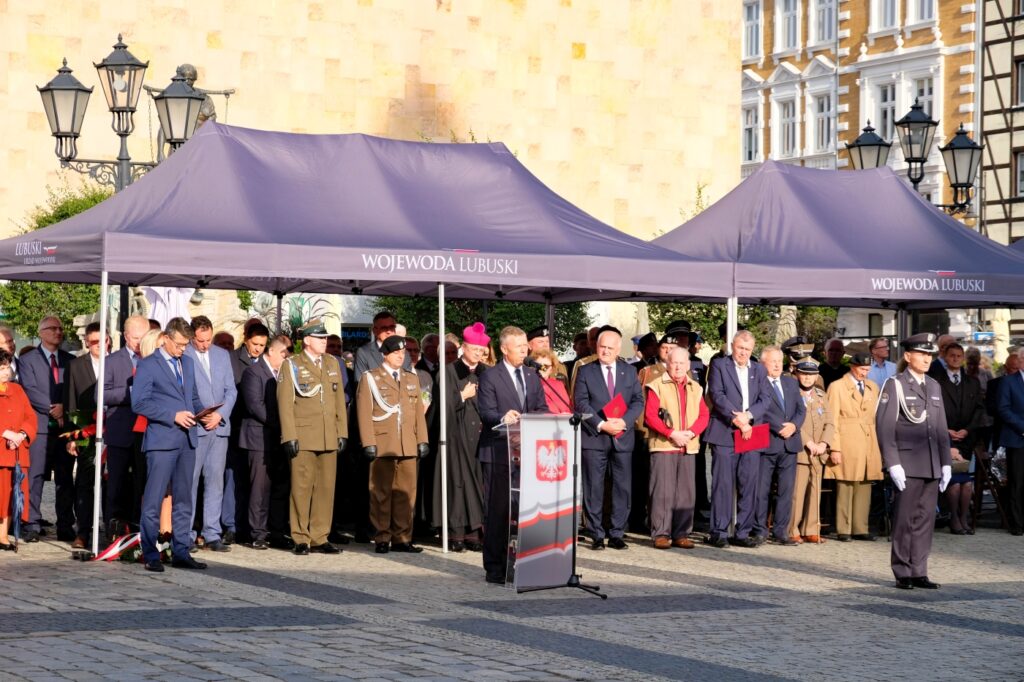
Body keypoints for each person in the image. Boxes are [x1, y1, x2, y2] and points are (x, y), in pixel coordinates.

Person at [131, 317, 208, 572]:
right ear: (165, 338)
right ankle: (151, 554)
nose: (182, 349)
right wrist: (172, 415)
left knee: (184, 499)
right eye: (179, 344)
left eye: (186, 345)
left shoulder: (187, 362)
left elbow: (193, 397)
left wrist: (204, 414)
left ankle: (181, 551)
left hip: (187, 439)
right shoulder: (148, 365)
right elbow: (139, 403)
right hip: (162, 440)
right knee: (153, 499)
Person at [877, 333, 952, 589]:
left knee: (925, 520)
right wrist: (892, 462)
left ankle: (919, 570)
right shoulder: (895, 384)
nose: (926, 359)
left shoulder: (933, 385)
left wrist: (945, 463)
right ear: (908, 356)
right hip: (907, 463)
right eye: (921, 354)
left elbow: (940, 428)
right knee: (904, 520)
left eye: (929, 355)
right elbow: (885, 427)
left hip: (931, 463)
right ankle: (902, 571)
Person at [477, 326, 549, 584]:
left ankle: (525, 563)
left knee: (527, 511)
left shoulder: (532, 375)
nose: (524, 350)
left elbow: (542, 408)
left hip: (528, 452)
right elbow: (486, 412)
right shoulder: (489, 377)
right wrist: (502, 417)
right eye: (518, 347)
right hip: (498, 453)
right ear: (505, 349)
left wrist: (531, 419)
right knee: (498, 512)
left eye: (524, 346)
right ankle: (495, 568)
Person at [278, 319, 348, 555]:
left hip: (328, 434)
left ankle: (320, 535)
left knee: (326, 489)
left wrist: (342, 431)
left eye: (325, 337)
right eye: (320, 338)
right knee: (301, 487)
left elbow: (339, 400)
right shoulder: (292, 365)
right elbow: (285, 404)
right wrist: (289, 436)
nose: (324, 341)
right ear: (307, 340)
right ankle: (300, 537)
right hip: (304, 434)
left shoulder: (332, 363)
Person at [357, 335, 429, 554]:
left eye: (403, 353)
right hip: (383, 441)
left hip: (407, 442)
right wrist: (368, 442)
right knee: (381, 492)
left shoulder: (411, 378)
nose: (401, 356)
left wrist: (422, 439)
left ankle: (403, 537)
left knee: (406, 493)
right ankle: (382, 536)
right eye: (396, 353)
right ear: (385, 354)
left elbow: (418, 413)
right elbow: (364, 413)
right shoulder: (371, 378)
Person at [574, 327, 644, 550]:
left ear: (618, 349)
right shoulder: (586, 371)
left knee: (622, 487)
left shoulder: (629, 371)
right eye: (601, 346)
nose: (605, 351)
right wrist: (602, 424)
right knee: (594, 487)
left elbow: (637, 402)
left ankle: (616, 533)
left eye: (609, 348)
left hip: (622, 436)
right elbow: (581, 403)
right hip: (595, 437)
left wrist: (623, 423)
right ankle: (596, 533)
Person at [705, 330, 772, 548]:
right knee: (723, 484)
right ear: (732, 346)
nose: (743, 352)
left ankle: (742, 531)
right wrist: (737, 419)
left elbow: (765, 398)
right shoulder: (719, 365)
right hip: (725, 430)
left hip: (751, 432)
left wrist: (749, 417)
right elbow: (717, 394)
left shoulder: (759, 370)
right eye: (740, 348)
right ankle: (719, 532)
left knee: (749, 483)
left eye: (747, 349)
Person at [642, 347, 709, 549]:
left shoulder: (696, 388)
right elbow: (650, 416)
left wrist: (690, 433)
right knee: (662, 491)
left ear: (688, 365)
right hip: (664, 445)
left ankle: (682, 533)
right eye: (674, 363)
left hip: (688, 445)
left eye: (682, 363)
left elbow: (704, 415)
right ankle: (661, 533)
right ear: (668, 364)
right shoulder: (656, 385)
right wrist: (672, 434)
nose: (678, 366)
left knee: (686, 493)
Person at [184, 316, 237, 552]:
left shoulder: (222, 355)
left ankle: (212, 532)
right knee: (191, 482)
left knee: (215, 481)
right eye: (200, 340)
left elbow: (231, 391)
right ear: (192, 336)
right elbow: (185, 390)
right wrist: (201, 414)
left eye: (207, 340)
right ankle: (186, 533)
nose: (204, 344)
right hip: (196, 427)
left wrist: (221, 414)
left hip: (220, 427)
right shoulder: (184, 354)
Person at [433, 323, 489, 552]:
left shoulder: (487, 371)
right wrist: (462, 396)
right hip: (457, 434)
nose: (478, 353)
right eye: (474, 348)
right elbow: (442, 404)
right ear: (463, 347)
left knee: (478, 483)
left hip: (481, 435)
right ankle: (456, 532)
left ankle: (475, 532)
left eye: (481, 350)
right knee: (458, 484)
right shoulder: (448, 371)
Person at [20, 316, 75, 543]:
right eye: (53, 328)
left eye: (60, 329)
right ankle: (32, 522)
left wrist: (64, 408)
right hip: (40, 426)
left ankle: (65, 525)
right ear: (41, 332)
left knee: (65, 478)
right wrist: (52, 409)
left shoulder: (70, 360)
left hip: (64, 429)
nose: (58, 332)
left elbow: (73, 388)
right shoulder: (28, 360)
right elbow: (29, 389)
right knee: (36, 476)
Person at [238, 336, 289, 550]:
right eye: (285, 355)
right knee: (260, 488)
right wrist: (282, 424)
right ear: (274, 352)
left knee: (279, 487)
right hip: (259, 438)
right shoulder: (253, 372)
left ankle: (276, 531)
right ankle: (257, 532)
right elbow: (255, 406)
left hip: (279, 440)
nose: (287, 359)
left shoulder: (283, 374)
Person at [825, 352, 883, 542]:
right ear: (852, 366)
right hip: (847, 440)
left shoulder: (873, 387)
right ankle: (844, 528)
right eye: (861, 369)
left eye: (867, 369)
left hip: (868, 440)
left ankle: (860, 526)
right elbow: (831, 419)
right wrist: (834, 447)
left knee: (865, 484)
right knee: (845, 484)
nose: (864, 373)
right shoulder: (837, 387)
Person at [102, 315, 150, 538]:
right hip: (120, 433)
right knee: (117, 486)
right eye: (136, 338)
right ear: (125, 336)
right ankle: (114, 533)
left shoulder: (153, 359)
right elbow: (100, 393)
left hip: (146, 435)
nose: (140, 343)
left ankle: (139, 533)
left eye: (144, 338)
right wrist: (132, 394)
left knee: (141, 485)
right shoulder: (112, 361)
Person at [62, 322, 108, 549]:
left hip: (112, 432)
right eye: (94, 342)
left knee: (112, 483)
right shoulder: (76, 366)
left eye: (102, 341)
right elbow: (70, 401)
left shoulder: (116, 362)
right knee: (84, 483)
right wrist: (72, 436)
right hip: (86, 433)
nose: (99, 346)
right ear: (87, 343)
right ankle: (83, 531)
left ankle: (112, 529)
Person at [753, 346, 805, 546]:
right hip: (767, 442)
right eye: (772, 361)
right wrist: (778, 427)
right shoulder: (758, 383)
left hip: (790, 444)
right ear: (763, 363)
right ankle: (760, 530)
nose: (777, 365)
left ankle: (781, 531)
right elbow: (760, 410)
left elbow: (801, 409)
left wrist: (794, 426)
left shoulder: (790, 383)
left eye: (779, 361)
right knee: (762, 489)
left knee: (786, 490)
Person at [226, 322, 270, 544]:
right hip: (234, 426)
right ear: (246, 340)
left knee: (254, 483)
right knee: (234, 480)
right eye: (255, 344)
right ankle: (233, 525)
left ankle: (247, 527)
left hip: (257, 432)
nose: (258, 349)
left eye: (262, 345)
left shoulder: (265, 362)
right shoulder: (232, 359)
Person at [935, 342, 984, 535]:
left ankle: (963, 517)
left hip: (966, 438)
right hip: (943, 437)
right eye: (952, 355)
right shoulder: (936, 381)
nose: (955, 359)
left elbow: (979, 410)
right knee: (954, 482)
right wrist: (945, 429)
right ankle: (953, 517)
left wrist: (967, 430)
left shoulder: (972, 381)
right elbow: (932, 410)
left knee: (967, 483)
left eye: (959, 356)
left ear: (963, 358)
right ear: (945, 358)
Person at [789, 360, 834, 544]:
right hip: (802, 450)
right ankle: (792, 530)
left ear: (817, 376)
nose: (808, 378)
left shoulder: (821, 395)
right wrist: (809, 442)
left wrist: (824, 443)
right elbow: (793, 422)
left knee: (815, 492)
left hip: (819, 452)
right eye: (804, 374)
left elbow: (830, 422)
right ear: (797, 374)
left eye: (811, 375)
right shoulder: (792, 394)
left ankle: (811, 529)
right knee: (797, 494)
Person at [0, 350, 36, 550]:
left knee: (13, 495)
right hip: (1, 450)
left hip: (17, 452)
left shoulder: (18, 390)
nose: (6, 372)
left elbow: (30, 417)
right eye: (1, 368)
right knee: (0, 494)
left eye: (7, 367)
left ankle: (4, 535)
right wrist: (6, 433)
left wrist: (22, 434)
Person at [997, 348, 1024, 536]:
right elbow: (1003, 409)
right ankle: (1016, 522)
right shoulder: (1008, 382)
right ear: (1020, 360)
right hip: (1017, 439)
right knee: (1017, 483)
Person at [354, 311, 411, 381]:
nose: (389, 331)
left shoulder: (405, 353)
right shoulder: (364, 353)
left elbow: (409, 381)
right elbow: (360, 382)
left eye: (391, 327)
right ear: (375, 331)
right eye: (384, 328)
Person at [530, 348, 571, 414]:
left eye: (545, 366)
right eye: (539, 366)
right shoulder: (528, 384)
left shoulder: (558, 385)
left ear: (551, 369)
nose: (541, 369)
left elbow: (567, 409)